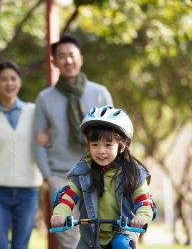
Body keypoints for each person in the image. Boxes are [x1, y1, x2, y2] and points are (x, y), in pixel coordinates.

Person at [33, 35, 113, 248]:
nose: (68, 61)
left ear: (81, 58)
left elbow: (115, 136)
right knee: (68, 234)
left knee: (99, 232)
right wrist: (47, 176)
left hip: (96, 173)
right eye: (62, 56)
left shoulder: (99, 94)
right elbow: (38, 142)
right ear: (54, 62)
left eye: (72, 55)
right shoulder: (44, 99)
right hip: (60, 175)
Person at [50, 106, 157, 249]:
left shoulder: (134, 173)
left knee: (122, 245)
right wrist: (60, 214)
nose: (101, 151)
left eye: (108, 145)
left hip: (123, 232)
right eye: (95, 144)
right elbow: (68, 194)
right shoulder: (83, 170)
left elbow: (144, 200)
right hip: (91, 235)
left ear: (122, 145)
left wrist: (142, 217)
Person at [0, 61, 45, 249]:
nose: (9, 83)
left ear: (20, 81)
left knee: (21, 246)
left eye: (13, 78)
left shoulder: (34, 111)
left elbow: (47, 143)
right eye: (3, 79)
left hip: (28, 192)